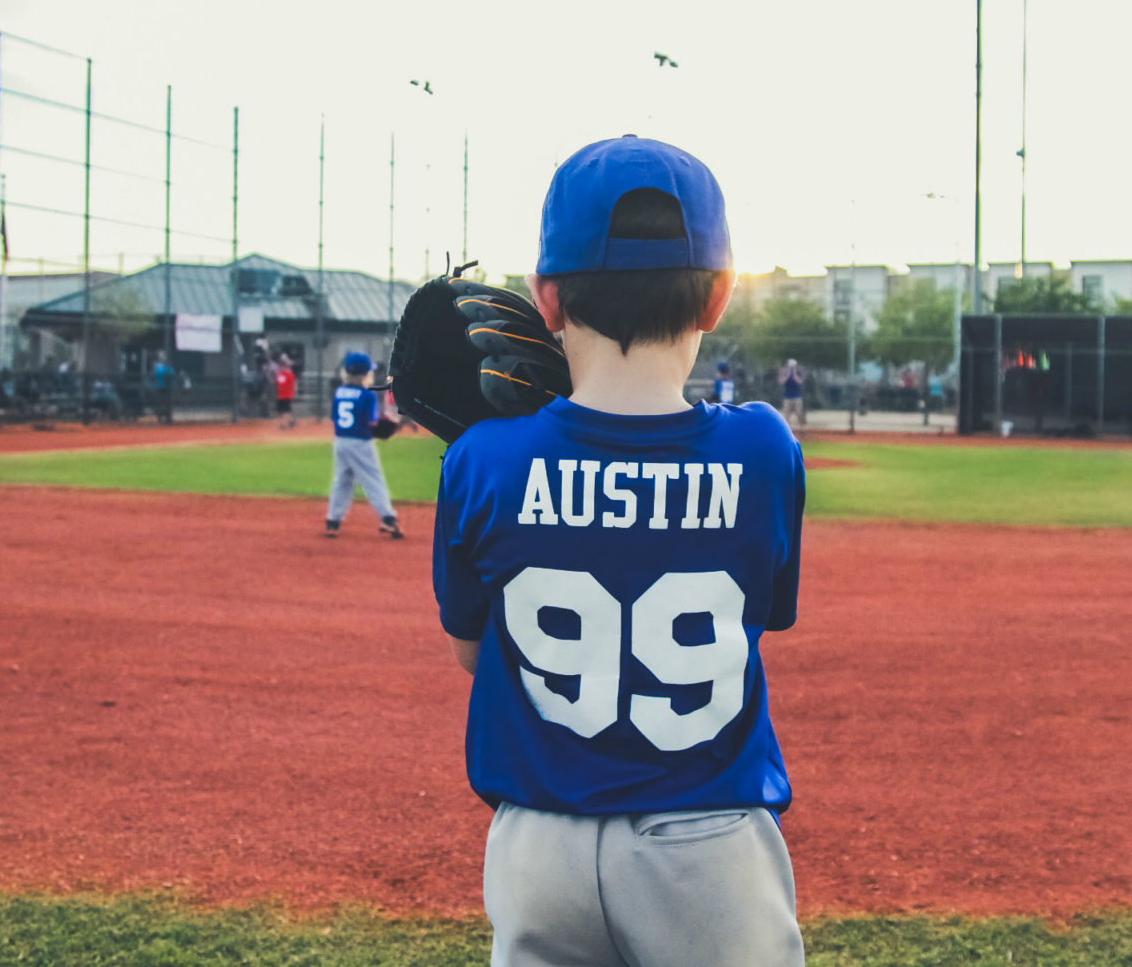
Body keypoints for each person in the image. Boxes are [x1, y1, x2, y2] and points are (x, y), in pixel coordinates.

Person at [432, 136, 806, 967]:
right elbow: (763, 616)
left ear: (546, 298)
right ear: (718, 299)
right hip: (706, 845)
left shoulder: (482, 460)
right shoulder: (763, 450)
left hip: (538, 845)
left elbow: (471, 653)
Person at [324, 352, 402, 539]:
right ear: (364, 374)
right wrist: (387, 427)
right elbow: (372, 422)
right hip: (361, 443)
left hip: (341, 442)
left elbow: (335, 418)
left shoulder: (339, 392)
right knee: (373, 478)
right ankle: (387, 517)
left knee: (341, 480)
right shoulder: (367, 395)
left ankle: (333, 521)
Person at [778, 357, 805, 431]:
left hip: (797, 396)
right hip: (787, 397)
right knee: (786, 415)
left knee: (799, 413)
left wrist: (794, 373)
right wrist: (788, 373)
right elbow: (782, 382)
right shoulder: (784, 372)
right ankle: (787, 430)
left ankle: (801, 430)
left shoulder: (798, 372)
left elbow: (799, 382)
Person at [273, 353, 297, 429]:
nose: (281, 367)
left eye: (283, 366)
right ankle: (291, 421)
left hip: (287, 395)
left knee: (285, 410)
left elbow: (293, 385)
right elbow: (278, 383)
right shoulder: (281, 374)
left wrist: (293, 393)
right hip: (280, 395)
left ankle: (284, 424)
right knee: (281, 411)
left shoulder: (289, 374)